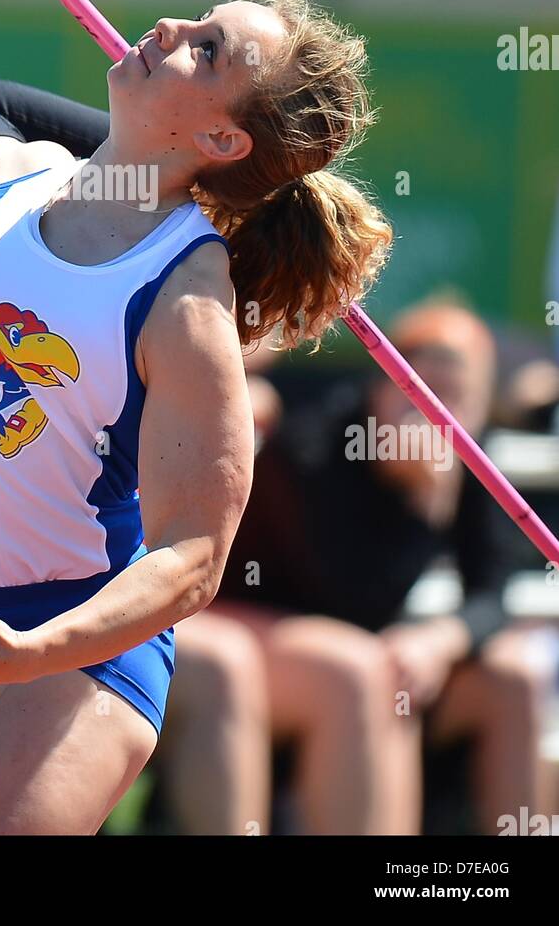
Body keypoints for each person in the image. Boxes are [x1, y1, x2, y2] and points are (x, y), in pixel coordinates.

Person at [0, 0, 393, 834]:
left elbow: (194, 555)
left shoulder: (184, 298)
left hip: (71, 633)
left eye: (207, 51)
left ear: (222, 137)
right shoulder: (9, 176)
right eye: (199, 22)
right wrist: (137, 154)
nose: (171, 30)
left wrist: (30, 651)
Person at [161, 301, 558, 834]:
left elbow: (494, 588)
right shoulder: (320, 445)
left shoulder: (466, 456)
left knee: (513, 677)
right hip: (259, 619)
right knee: (366, 670)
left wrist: (442, 638)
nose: (434, 411)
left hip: (365, 640)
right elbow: (344, 594)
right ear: (382, 386)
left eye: (456, 393)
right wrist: (420, 506)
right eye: (421, 386)